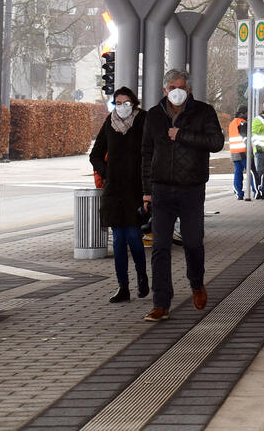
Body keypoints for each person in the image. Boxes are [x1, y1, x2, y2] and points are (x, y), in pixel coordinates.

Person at [141, 70, 225, 322]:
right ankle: (161, 302)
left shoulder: (203, 111)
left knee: (193, 243)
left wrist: (182, 135)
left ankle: (197, 283)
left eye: (182, 86)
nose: (177, 90)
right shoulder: (154, 116)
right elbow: (146, 153)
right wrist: (146, 191)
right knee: (160, 247)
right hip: (161, 190)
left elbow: (216, 142)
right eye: (172, 86)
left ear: (188, 89)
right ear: (164, 90)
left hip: (192, 189)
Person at [89, 87, 148, 304]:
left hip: (135, 189)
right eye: (118, 102)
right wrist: (107, 173)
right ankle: (123, 286)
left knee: (133, 236)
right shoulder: (109, 123)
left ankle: (142, 278)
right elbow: (95, 155)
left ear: (133, 102)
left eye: (126, 102)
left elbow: (151, 151)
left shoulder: (143, 120)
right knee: (118, 240)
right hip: (114, 191)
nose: (122, 106)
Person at [228, 105, 249, 200]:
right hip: (242, 151)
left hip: (234, 151)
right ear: (244, 113)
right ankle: (256, 191)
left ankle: (239, 193)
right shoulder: (242, 122)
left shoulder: (232, 122)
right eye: (248, 112)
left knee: (237, 171)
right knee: (251, 172)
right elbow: (244, 137)